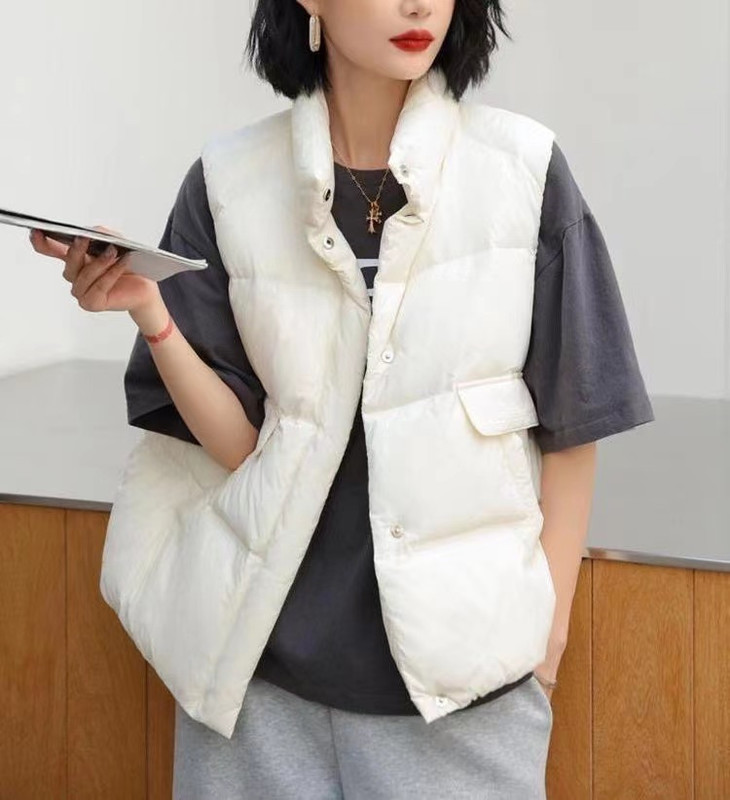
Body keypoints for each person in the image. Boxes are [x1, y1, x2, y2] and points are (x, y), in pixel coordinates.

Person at [29, 0, 655, 797]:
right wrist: (152, 313)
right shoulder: (228, 182)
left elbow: (576, 420)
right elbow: (246, 450)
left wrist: (548, 638)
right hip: (258, 687)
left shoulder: (521, 171)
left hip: (459, 696)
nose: (419, 5)